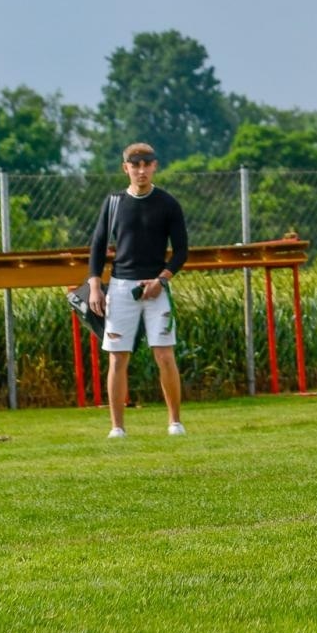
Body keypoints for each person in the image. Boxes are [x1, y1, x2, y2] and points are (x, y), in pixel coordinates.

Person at [87, 142, 190, 439]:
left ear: (155, 166)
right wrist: (95, 285)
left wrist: (162, 279)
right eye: (135, 165)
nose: (141, 170)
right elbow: (97, 244)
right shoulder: (114, 202)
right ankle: (117, 427)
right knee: (117, 357)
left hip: (156, 287)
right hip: (120, 288)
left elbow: (182, 250)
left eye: (147, 164)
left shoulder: (168, 203)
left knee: (165, 355)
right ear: (126, 168)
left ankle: (175, 422)